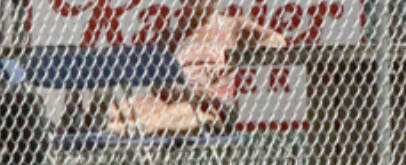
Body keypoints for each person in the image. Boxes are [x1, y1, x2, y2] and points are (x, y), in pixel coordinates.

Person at [105, 0, 286, 137]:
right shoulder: (174, 35)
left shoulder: (231, 26)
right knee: (123, 108)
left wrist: (232, 61)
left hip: (211, 104)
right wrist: (176, 88)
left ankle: (139, 128)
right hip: (175, 95)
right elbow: (156, 83)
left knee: (174, 112)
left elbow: (277, 41)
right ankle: (117, 126)